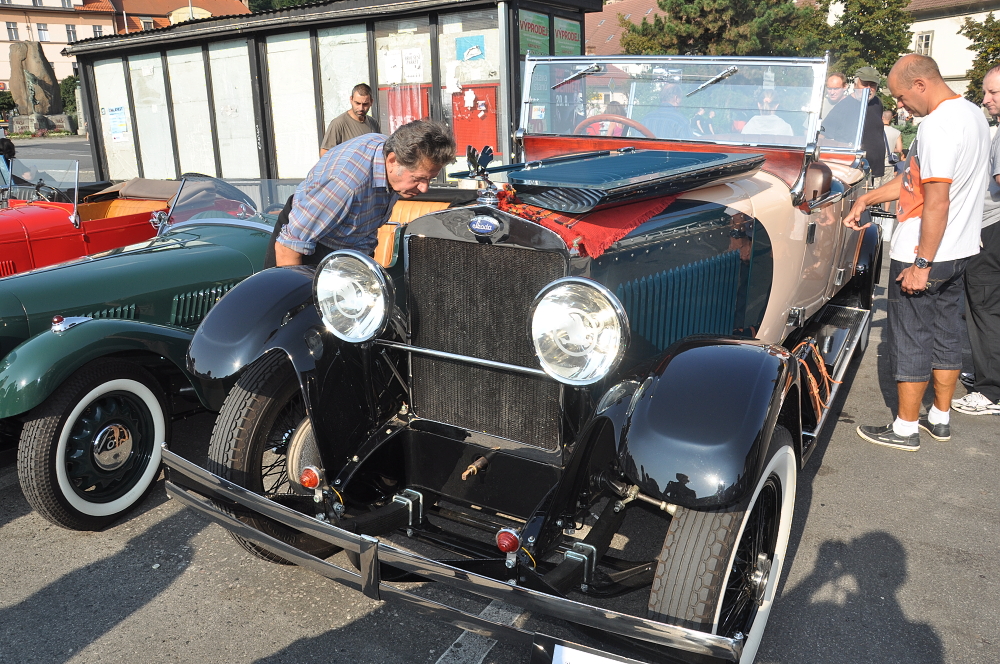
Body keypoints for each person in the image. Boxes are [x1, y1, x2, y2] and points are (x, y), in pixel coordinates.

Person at [843, 54, 990, 451]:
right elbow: (914, 181)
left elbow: (937, 199)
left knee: (910, 339)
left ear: (921, 84)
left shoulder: (938, 125)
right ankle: (939, 418)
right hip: (960, 250)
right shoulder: (974, 115)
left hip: (923, 253)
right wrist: (867, 198)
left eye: (902, 96)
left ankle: (906, 428)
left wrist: (921, 264)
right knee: (947, 334)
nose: (900, 105)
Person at [269, 119, 455, 268]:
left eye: (429, 179)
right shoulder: (345, 185)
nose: (424, 189)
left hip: (349, 250)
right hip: (308, 249)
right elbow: (288, 248)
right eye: (418, 179)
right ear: (392, 161)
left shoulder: (389, 154)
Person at [952, 64, 1000, 415]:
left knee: (984, 308)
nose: (985, 99)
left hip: (993, 228)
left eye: (993, 92)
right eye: (985, 92)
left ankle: (991, 391)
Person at [823, 67, 886, 180]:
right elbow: (823, 135)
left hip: (875, 171)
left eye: (872, 85)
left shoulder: (877, 103)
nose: (869, 89)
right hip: (853, 172)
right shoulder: (843, 106)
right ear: (855, 85)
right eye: (865, 84)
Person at [319, 83, 380, 157]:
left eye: (365, 104)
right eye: (357, 103)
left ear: (371, 102)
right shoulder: (338, 123)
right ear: (351, 100)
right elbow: (324, 153)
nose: (361, 108)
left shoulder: (373, 123)